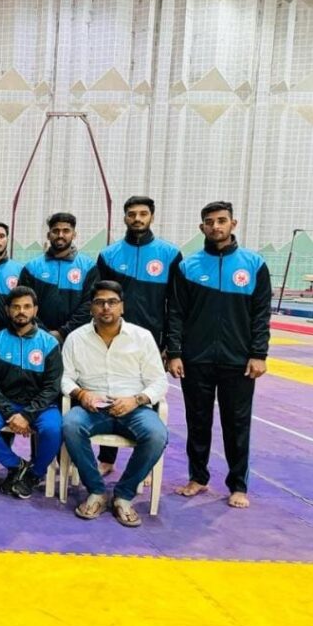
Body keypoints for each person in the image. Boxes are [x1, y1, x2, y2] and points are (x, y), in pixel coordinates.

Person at [167, 201, 271, 509]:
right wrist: (175, 352)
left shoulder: (254, 264)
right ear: (202, 227)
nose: (216, 226)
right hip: (196, 358)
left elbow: (261, 314)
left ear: (233, 224)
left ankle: (238, 485)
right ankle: (198, 477)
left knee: (237, 424)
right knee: (197, 421)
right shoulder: (188, 266)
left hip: (238, 361)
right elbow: (176, 313)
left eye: (221, 220)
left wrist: (259, 353)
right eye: (210, 222)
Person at [61, 281, 169, 526]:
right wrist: (81, 394)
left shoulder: (142, 337)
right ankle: (96, 491)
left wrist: (136, 400)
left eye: (112, 302)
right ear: (91, 308)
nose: (106, 307)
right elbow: (65, 378)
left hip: (133, 408)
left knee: (156, 435)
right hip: (92, 409)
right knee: (70, 425)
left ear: (122, 306)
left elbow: (158, 382)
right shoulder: (76, 338)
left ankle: (124, 495)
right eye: (99, 302)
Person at [94, 196, 182, 476]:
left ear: (151, 217)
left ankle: (143, 461)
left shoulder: (169, 254)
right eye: (132, 214)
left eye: (143, 214)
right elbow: (99, 300)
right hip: (111, 338)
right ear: (125, 218)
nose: (137, 219)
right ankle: (106, 459)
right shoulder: (109, 255)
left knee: (147, 398)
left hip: (151, 342)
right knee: (108, 388)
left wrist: (171, 346)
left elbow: (175, 304)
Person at [0, 286, 62, 500]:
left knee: (53, 429)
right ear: (7, 310)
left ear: (35, 310)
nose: (21, 311)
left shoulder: (49, 343)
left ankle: (34, 474)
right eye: (16, 307)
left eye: (27, 306)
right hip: (4, 403)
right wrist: (10, 412)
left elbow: (52, 386)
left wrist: (27, 415)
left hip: (40, 406)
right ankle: (16, 465)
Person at [18, 212, 98, 343]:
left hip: (77, 338)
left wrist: (64, 332)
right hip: (37, 338)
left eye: (66, 231)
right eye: (55, 231)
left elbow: (89, 303)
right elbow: (23, 303)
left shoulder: (88, 267)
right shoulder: (32, 267)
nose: (60, 235)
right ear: (48, 235)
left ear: (74, 235)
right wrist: (44, 333)